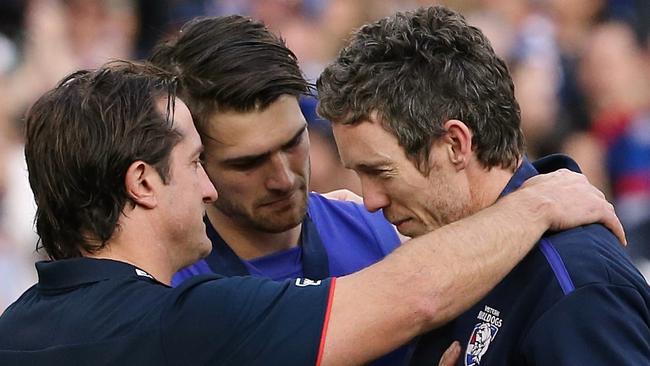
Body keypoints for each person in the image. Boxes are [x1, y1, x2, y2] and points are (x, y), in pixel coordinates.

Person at [0, 61, 623, 365]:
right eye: (197, 165)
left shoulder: (16, 329)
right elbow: (415, 297)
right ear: (142, 183)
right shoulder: (184, 323)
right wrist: (537, 199)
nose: (211, 190)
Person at [316, 6, 650, 365]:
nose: (370, 201)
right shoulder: (444, 263)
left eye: (381, 172)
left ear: (456, 144)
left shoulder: (574, 284)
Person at [149, 17, 411, 364]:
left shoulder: (380, 232)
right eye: (248, 163)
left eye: (292, 143)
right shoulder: (162, 288)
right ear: (197, 162)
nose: (284, 179)